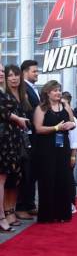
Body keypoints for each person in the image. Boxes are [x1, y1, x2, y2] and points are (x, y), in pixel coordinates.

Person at [33, 81, 76, 223]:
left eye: (59, 90)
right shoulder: (41, 108)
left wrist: (71, 125)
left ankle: (63, 213)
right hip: (46, 148)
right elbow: (38, 128)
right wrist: (56, 128)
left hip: (63, 147)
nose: (58, 92)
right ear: (47, 92)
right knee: (48, 179)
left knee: (63, 178)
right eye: (55, 90)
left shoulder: (65, 105)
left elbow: (72, 121)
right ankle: (47, 215)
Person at [0, 63, 29, 233]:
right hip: (3, 140)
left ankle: (5, 214)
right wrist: (16, 118)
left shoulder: (5, 92)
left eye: (2, 71)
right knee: (2, 180)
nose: (3, 74)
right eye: (4, 72)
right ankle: (2, 217)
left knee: (7, 179)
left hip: (11, 140)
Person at [17, 60, 40, 218]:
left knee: (32, 172)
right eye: (34, 71)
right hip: (28, 135)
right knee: (26, 172)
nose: (37, 74)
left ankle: (30, 203)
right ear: (25, 72)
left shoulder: (33, 88)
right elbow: (27, 112)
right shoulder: (23, 88)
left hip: (35, 136)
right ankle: (21, 206)